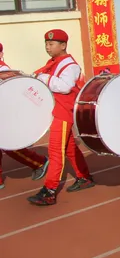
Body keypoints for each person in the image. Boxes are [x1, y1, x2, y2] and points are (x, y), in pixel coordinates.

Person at [27, 30, 94, 206]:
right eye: (46, 44)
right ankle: (84, 176)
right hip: (58, 110)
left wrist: (44, 78)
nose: (48, 47)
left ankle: (49, 191)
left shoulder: (69, 65)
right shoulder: (54, 63)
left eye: (51, 44)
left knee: (55, 151)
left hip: (63, 112)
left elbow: (65, 87)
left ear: (63, 46)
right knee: (70, 148)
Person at [0, 43, 49, 190]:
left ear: (1, 54)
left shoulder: (4, 70)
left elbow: (12, 91)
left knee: (9, 145)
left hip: (6, 114)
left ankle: (39, 162)